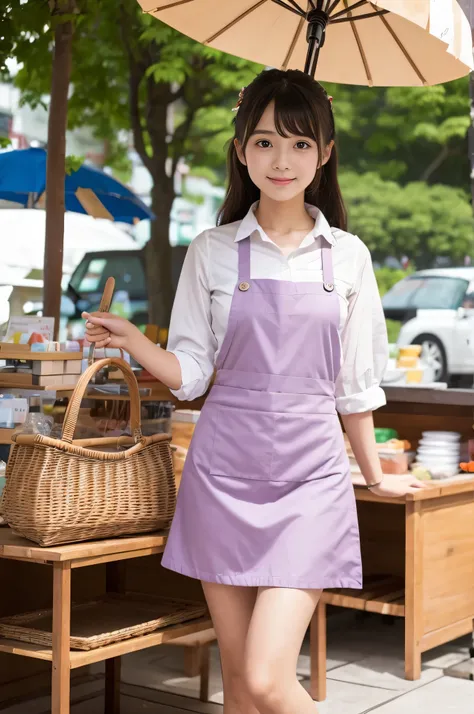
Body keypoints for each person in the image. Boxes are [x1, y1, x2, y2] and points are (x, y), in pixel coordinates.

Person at [83, 69, 428, 714]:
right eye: (266, 141)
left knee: (270, 680)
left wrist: (375, 475)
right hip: (223, 475)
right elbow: (192, 372)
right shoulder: (210, 251)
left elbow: (355, 386)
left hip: (312, 479)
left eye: (301, 143)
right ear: (241, 150)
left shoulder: (349, 256)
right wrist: (135, 342)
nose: (282, 159)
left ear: (324, 155)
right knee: (241, 686)